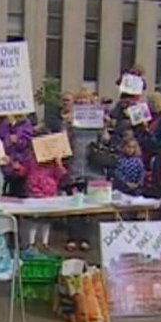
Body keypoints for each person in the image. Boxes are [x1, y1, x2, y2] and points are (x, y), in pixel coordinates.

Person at [61, 89, 104, 251]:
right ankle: (72, 237)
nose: (83, 104)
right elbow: (62, 141)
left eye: (86, 100)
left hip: (93, 168)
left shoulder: (96, 120)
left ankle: (86, 238)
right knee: (74, 204)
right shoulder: (71, 121)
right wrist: (66, 124)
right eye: (80, 101)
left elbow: (105, 140)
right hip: (76, 167)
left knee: (90, 205)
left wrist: (104, 126)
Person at [24, 155, 67, 251]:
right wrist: (16, 167)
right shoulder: (31, 159)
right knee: (33, 219)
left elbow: (61, 174)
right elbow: (23, 171)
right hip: (34, 194)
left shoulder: (53, 162)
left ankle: (45, 242)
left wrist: (59, 164)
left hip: (49, 195)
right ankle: (31, 243)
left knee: (47, 219)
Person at [0, 113, 34, 197]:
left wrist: (19, 141)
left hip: (21, 166)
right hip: (6, 165)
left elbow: (28, 144)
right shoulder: (4, 125)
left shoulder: (27, 126)